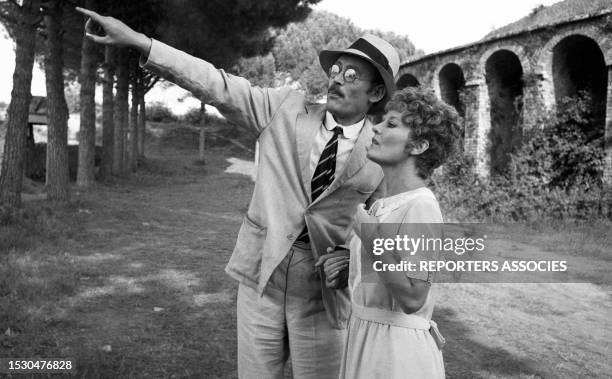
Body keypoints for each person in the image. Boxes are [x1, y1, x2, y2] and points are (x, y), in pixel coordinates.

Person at [75, 7, 401, 379]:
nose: (338, 80)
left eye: (352, 75)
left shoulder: (381, 151)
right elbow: (216, 83)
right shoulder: (283, 108)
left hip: (323, 298)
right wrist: (140, 42)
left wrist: (351, 258)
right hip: (261, 278)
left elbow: (384, 228)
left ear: (376, 91)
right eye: (336, 70)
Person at [318, 87, 462, 378]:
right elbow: (387, 269)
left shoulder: (422, 206)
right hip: (365, 339)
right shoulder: (383, 205)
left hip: (396, 355)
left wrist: (368, 234)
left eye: (392, 123)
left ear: (419, 145)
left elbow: (413, 297)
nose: (377, 127)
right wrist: (349, 266)